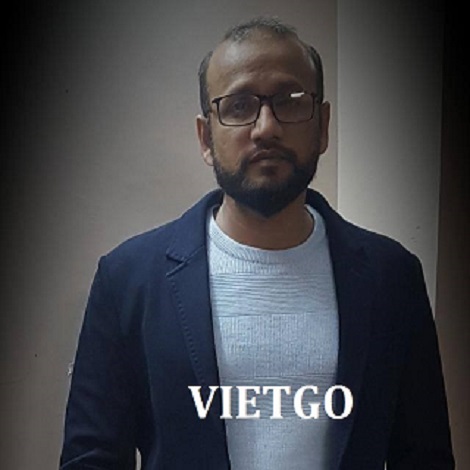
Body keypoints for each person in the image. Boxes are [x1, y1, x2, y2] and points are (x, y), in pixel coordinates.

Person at [60, 17, 454, 470]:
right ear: (206, 137)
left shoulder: (392, 277)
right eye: (239, 105)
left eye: (290, 101)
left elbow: (424, 457)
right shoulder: (128, 280)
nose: (266, 128)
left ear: (323, 125)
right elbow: (91, 459)